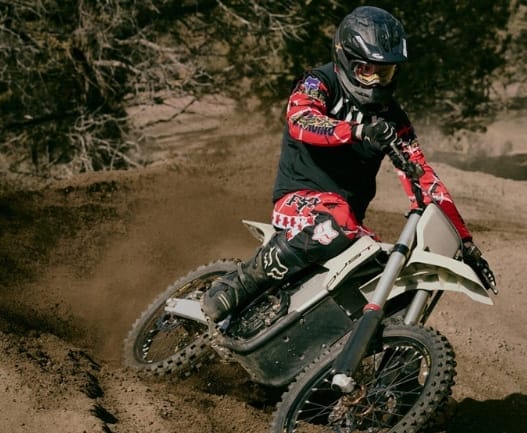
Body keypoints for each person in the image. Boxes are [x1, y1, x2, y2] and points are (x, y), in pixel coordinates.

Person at [202, 5, 496, 323]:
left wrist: (464, 243)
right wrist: (357, 131)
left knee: (379, 264)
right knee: (335, 221)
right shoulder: (318, 83)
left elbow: (423, 177)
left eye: (385, 72)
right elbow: (301, 120)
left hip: (347, 223)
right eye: (366, 71)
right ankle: (238, 283)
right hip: (299, 201)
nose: (376, 82)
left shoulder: (393, 120)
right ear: (345, 60)